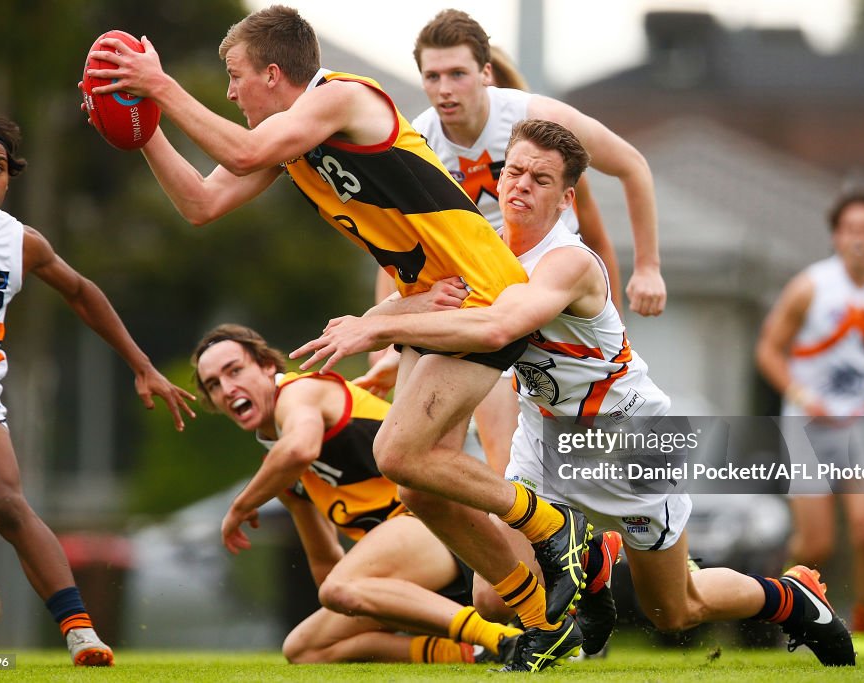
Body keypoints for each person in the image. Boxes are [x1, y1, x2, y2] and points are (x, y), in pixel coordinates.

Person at [86, 5, 594, 668]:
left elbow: (241, 150)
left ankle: (553, 530)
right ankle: (543, 623)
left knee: (397, 453)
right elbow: (201, 204)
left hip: (485, 294)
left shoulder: (341, 98)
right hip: (434, 308)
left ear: (275, 73)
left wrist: (157, 85)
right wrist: (143, 128)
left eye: (236, 77)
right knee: (415, 485)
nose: (232, 92)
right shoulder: (292, 142)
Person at [294, 119, 857, 668]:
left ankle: (792, 598)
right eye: (513, 171)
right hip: (544, 438)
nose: (520, 185)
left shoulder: (568, 263)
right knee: (494, 597)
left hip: (626, 443)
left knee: (677, 608)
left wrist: (381, 328)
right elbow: (436, 306)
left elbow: (494, 329)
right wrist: (391, 348)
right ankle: (584, 566)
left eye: (540, 180)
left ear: (566, 199)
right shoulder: (483, 248)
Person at [0, 114, 195, 666]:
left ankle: (81, 633)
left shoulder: (20, 243)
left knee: (5, 501)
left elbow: (82, 293)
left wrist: (141, 364)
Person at [368, 10, 663, 473]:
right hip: (476, 297)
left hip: (541, 296)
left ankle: (550, 535)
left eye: (458, 74)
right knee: (413, 467)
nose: (445, 89)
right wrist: (392, 342)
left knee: (510, 458)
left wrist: (647, 269)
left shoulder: (539, 120)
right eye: (433, 76)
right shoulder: (416, 140)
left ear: (485, 74)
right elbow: (400, 253)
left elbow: (631, 166)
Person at [190, 323, 525, 664]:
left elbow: (299, 449)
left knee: (341, 588)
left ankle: (500, 637)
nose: (228, 388)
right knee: (304, 649)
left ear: (266, 366)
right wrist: (369, 599)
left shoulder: (299, 393)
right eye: (214, 385)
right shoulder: (280, 469)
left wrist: (240, 507)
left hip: (447, 530)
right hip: (416, 564)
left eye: (235, 371)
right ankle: (473, 651)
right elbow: (326, 567)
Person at [756, 189, 864, 656]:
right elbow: (769, 350)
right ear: (836, 235)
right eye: (850, 229)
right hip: (808, 427)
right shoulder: (810, 286)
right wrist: (800, 394)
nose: (858, 239)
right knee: (815, 545)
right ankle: (785, 608)